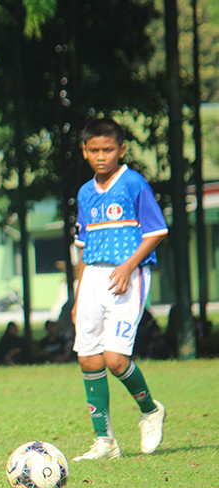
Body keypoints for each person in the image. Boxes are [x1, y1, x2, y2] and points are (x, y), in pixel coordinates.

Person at [70, 117, 167, 461]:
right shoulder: (84, 192)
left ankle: (150, 410)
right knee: (88, 357)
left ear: (121, 150)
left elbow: (155, 231)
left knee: (115, 358)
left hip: (129, 274)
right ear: (84, 151)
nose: (100, 156)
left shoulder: (134, 184)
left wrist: (129, 265)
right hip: (93, 279)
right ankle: (105, 441)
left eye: (107, 150)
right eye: (94, 150)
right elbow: (83, 245)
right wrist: (79, 292)